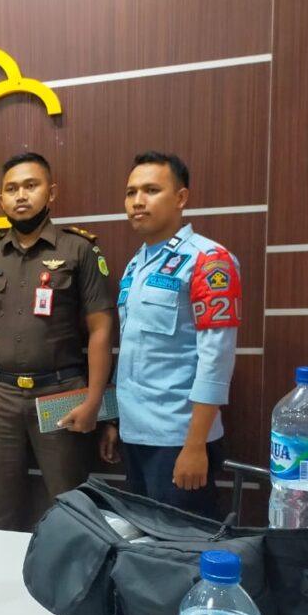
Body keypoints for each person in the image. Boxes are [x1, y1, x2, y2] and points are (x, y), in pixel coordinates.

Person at [0, 153, 114, 531]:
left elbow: (101, 329)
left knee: (69, 505)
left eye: (31, 185)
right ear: (1, 199)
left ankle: (66, 570)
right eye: (12, 189)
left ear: (51, 192)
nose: (21, 195)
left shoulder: (79, 250)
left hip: (60, 393)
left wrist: (95, 401)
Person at [101, 152, 241, 517]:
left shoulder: (209, 260)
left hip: (179, 439)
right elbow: (131, 352)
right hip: (136, 436)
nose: (137, 201)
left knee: (183, 542)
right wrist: (115, 421)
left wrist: (195, 445)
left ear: (181, 198)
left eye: (151, 190)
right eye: (131, 192)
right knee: (148, 539)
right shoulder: (137, 264)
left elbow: (216, 360)